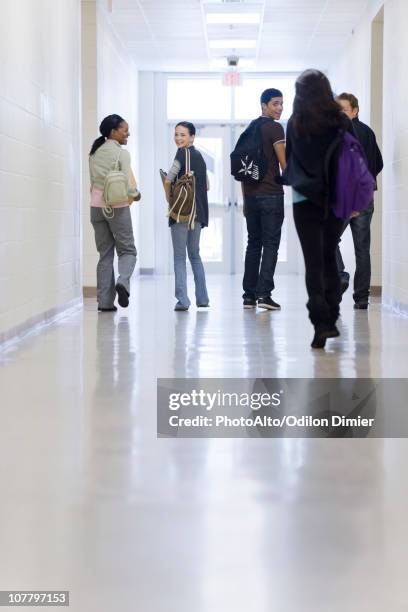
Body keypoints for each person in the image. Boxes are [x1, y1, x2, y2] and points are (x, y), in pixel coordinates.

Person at [285, 69, 353, 348]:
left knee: (313, 261)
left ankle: (320, 324)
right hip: (336, 200)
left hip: (305, 201)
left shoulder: (295, 122)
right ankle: (333, 314)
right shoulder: (340, 121)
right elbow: (350, 161)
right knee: (328, 257)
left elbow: (290, 160)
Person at [335, 92, 384, 309]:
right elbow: (378, 164)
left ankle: (340, 276)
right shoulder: (368, 133)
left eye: (343, 110)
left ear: (355, 111)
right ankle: (362, 298)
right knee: (362, 249)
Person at [242, 88, 286, 310]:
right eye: (275, 103)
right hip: (271, 195)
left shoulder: (250, 128)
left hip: (251, 197)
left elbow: (243, 168)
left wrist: (244, 199)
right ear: (264, 106)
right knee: (270, 245)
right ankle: (264, 295)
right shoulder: (275, 128)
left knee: (253, 244)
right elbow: (284, 164)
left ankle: (248, 296)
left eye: (281, 104)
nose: (279, 108)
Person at [89, 114, 138, 312]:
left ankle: (105, 302)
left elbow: (92, 182)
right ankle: (123, 282)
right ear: (113, 132)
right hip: (116, 206)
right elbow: (127, 183)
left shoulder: (94, 152)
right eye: (124, 130)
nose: (128, 134)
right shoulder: (121, 154)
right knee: (128, 250)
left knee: (105, 254)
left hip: (96, 207)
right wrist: (135, 194)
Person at [164, 121, 209, 311]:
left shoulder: (182, 153)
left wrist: (170, 200)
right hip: (198, 213)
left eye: (183, 135)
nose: (178, 138)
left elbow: (169, 179)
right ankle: (203, 298)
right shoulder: (200, 156)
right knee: (195, 255)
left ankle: (183, 300)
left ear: (192, 137)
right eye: (176, 134)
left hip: (182, 212)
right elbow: (206, 185)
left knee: (179, 257)